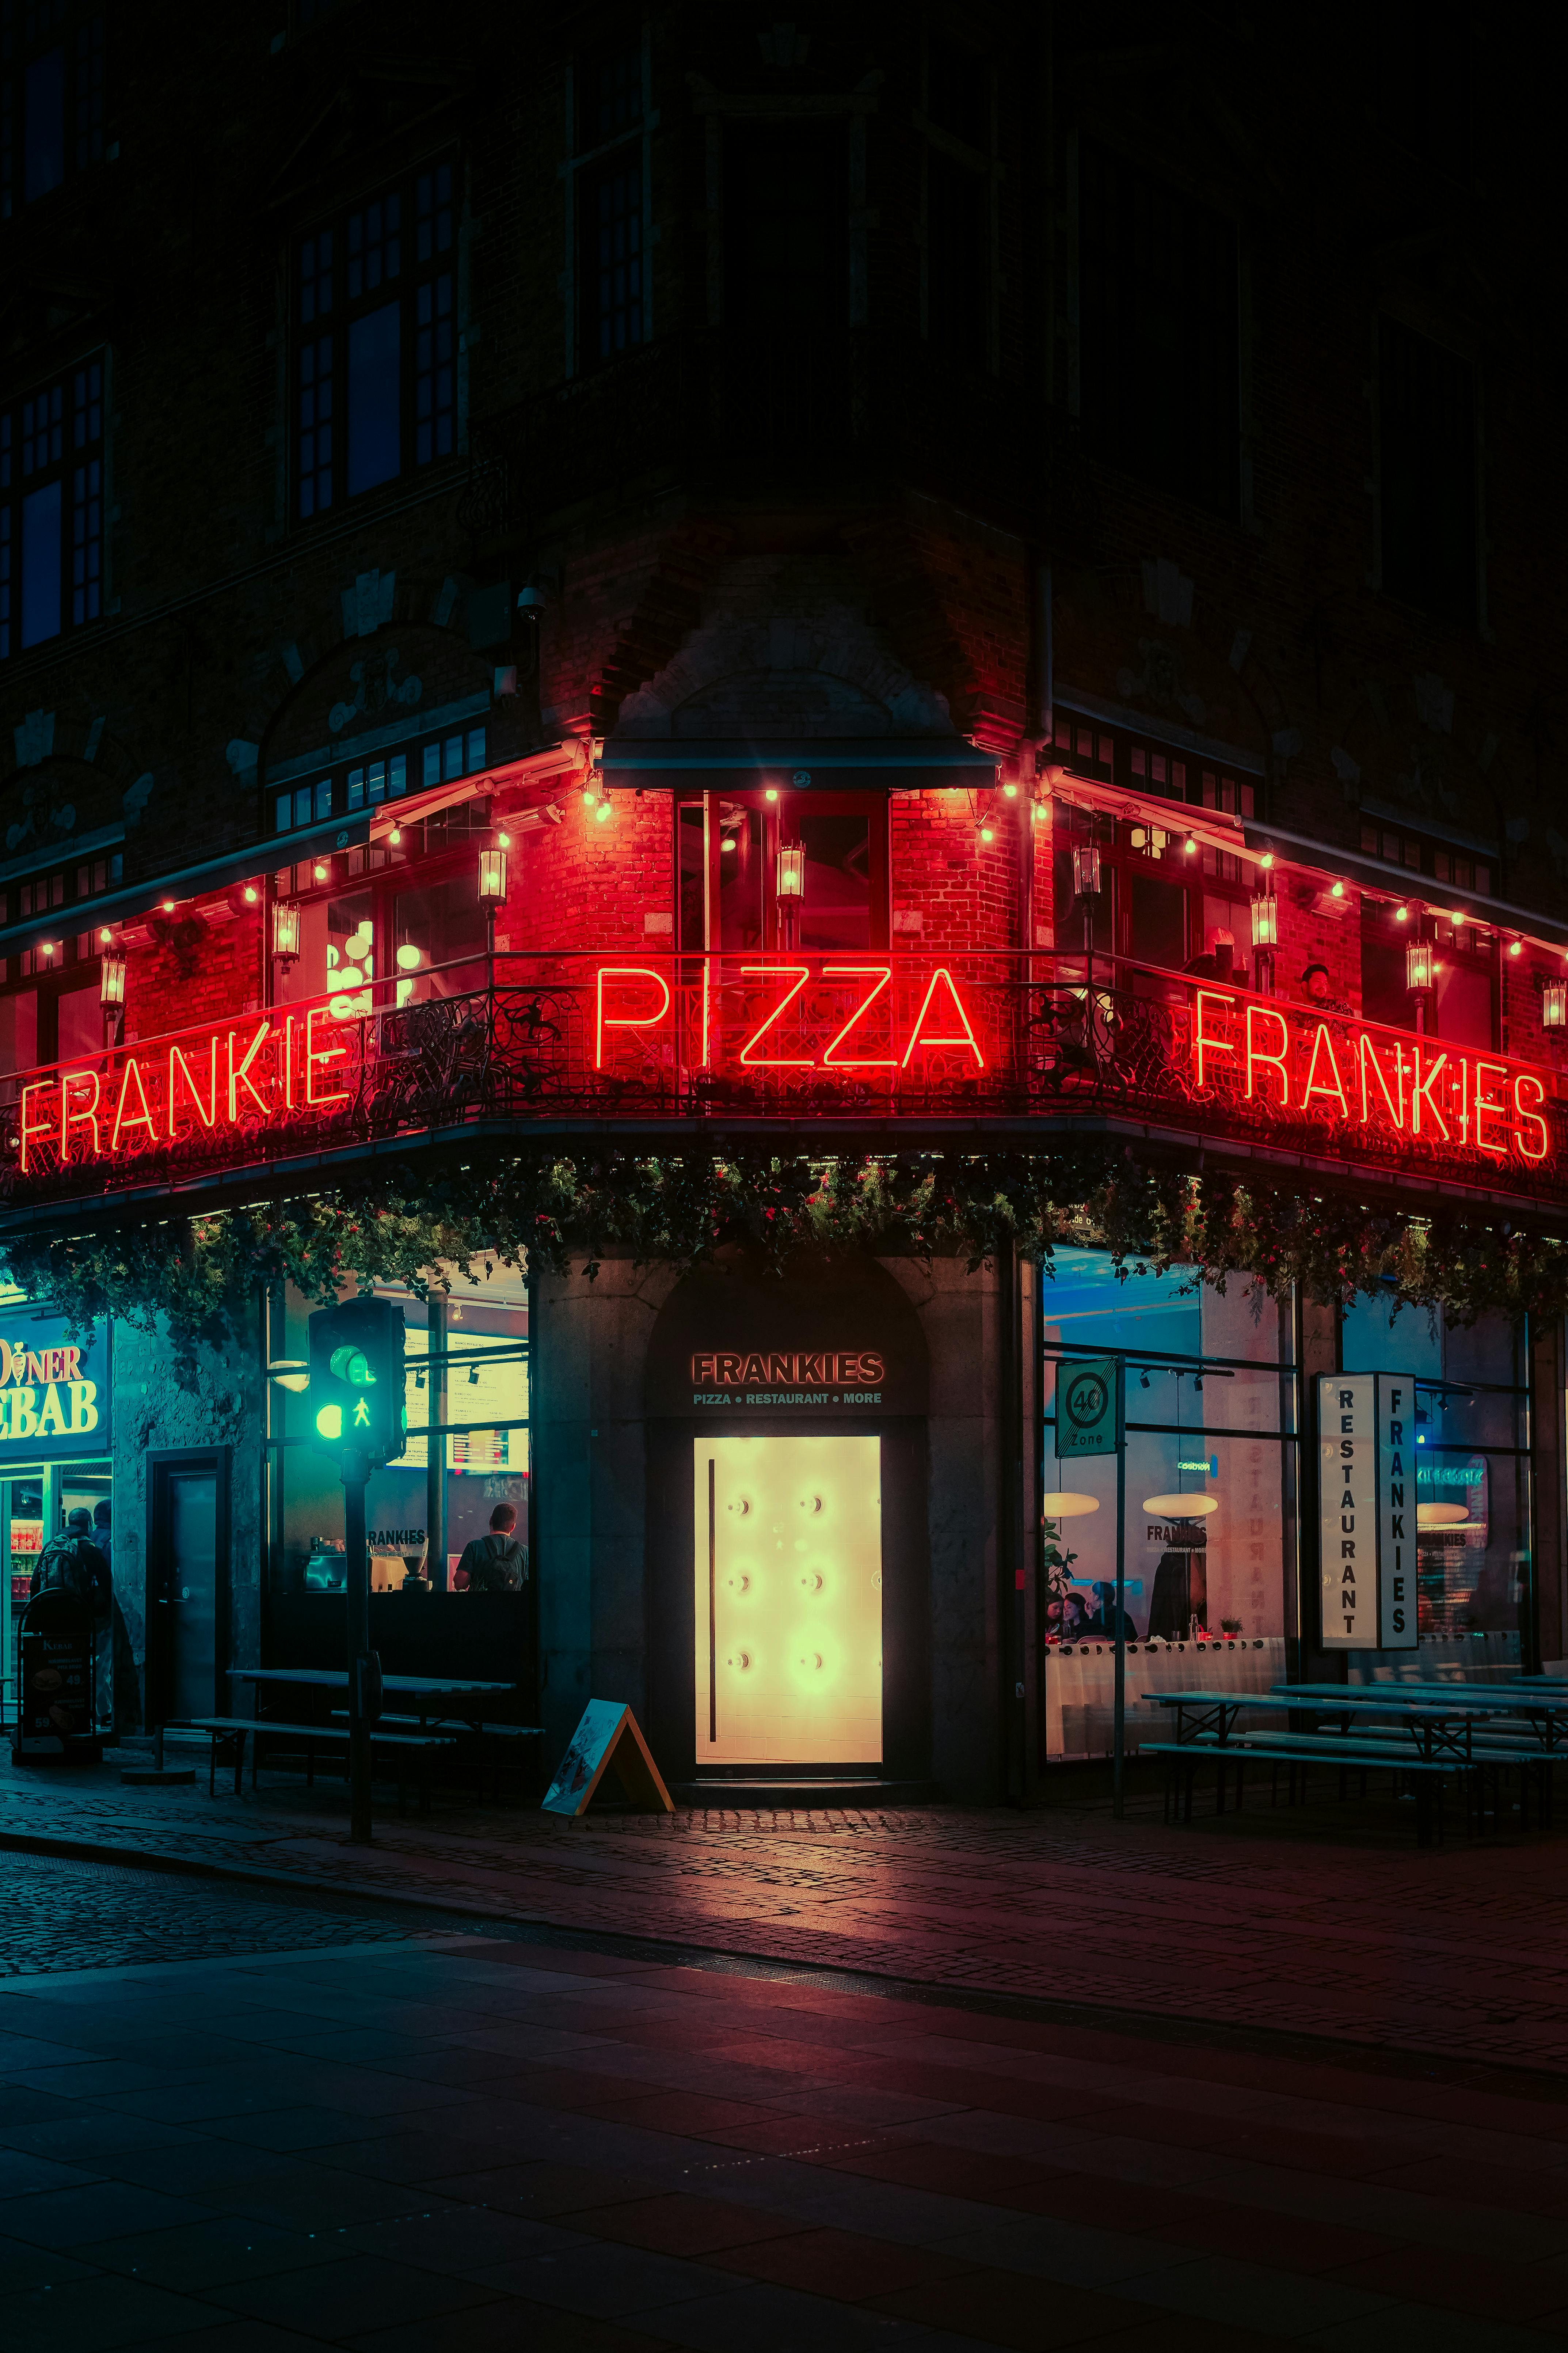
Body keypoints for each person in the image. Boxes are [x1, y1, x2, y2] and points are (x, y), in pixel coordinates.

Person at [455, 1502, 528, 1593]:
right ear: (513, 1527)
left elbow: (459, 1584)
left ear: (490, 1521)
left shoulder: (474, 1547)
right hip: (513, 1607)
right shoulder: (525, 1552)